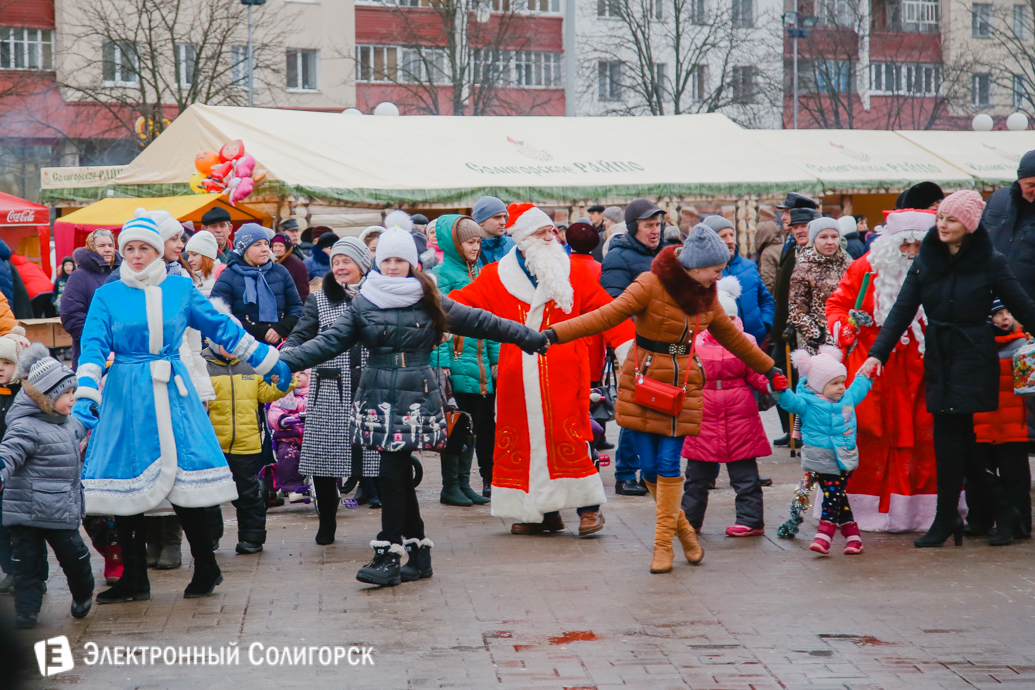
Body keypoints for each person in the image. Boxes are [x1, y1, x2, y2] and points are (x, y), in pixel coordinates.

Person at [275, 227, 548, 587]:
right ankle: (418, 553)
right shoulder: (365, 301)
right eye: (386, 259)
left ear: (412, 263)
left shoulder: (429, 297)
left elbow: (480, 321)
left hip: (415, 396)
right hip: (375, 396)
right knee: (398, 473)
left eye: (399, 260)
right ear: (377, 262)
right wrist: (280, 361)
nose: (391, 267)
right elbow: (328, 342)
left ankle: (389, 551)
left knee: (391, 473)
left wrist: (529, 337)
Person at [75, 214, 292, 604]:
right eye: (129, 248)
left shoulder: (179, 288)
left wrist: (266, 359)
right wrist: (86, 394)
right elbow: (92, 346)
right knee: (127, 486)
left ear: (158, 250)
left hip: (174, 391)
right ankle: (135, 578)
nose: (136, 255)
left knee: (184, 481)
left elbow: (221, 328)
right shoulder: (108, 295)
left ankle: (206, 565)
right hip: (126, 394)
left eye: (144, 247)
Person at [545, 225, 777, 573]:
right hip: (641, 384)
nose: (720, 275)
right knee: (649, 469)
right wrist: (553, 334)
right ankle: (685, 532)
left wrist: (771, 370)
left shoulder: (708, 297)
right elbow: (606, 316)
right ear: (696, 266)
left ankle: (662, 546)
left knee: (669, 466)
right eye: (716, 269)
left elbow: (736, 340)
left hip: (682, 388)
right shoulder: (649, 285)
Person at [860, 190, 1035, 548]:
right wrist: (878, 354)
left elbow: (1022, 304)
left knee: (954, 441)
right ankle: (987, 511)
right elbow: (902, 311)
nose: (941, 225)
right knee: (957, 444)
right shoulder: (927, 259)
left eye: (951, 220)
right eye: (940, 218)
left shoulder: (991, 261)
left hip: (973, 355)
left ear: (968, 226)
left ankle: (958, 516)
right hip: (939, 356)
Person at [450, 204, 634, 536]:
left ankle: (589, 509)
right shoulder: (495, 278)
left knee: (572, 437)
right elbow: (460, 303)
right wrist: (424, 309)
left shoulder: (573, 273)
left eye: (552, 231)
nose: (551, 237)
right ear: (522, 240)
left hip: (565, 374)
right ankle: (541, 512)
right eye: (542, 233)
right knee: (523, 442)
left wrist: (629, 350)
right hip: (517, 377)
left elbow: (609, 313)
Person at [826, 209, 937, 532]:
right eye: (906, 245)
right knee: (865, 435)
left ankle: (920, 512)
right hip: (869, 366)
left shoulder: (938, 270)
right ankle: (859, 511)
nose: (912, 253)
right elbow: (837, 305)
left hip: (919, 368)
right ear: (892, 243)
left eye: (918, 246)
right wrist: (843, 327)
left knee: (922, 437)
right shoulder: (865, 268)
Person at [283, 237, 382, 544]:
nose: (340, 267)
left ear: (363, 264)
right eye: (336, 261)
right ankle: (327, 523)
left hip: (372, 387)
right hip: (331, 390)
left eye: (347, 261)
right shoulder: (319, 299)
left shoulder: (379, 295)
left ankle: (392, 525)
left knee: (380, 460)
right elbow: (300, 336)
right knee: (324, 462)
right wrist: (284, 360)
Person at [0, 344, 93, 629]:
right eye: (65, 394)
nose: (72, 399)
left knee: (75, 558)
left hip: (60, 511)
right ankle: (27, 612)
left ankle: (83, 594)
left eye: (72, 393)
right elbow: (9, 453)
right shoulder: (25, 427)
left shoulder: (70, 422)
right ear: (45, 397)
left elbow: (86, 434)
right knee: (26, 567)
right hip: (25, 512)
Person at [680, 276, 772, 538]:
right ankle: (690, 520)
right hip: (704, 415)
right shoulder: (694, 342)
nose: (725, 325)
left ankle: (751, 520)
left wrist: (773, 383)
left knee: (745, 474)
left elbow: (757, 374)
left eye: (730, 319)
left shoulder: (747, 342)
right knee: (697, 475)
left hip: (740, 415)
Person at [204, 317, 295, 555]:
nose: (232, 347)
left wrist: (286, 381)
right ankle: (208, 537)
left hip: (246, 442)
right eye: (226, 342)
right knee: (208, 496)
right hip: (212, 445)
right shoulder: (202, 365)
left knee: (248, 493)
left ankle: (252, 537)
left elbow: (264, 394)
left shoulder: (251, 365)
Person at [773, 346, 873, 555]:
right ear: (819, 386)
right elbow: (790, 403)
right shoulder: (807, 402)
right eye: (834, 383)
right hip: (820, 457)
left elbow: (859, 388)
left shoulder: (847, 398)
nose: (841, 388)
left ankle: (824, 536)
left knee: (834, 494)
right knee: (836, 495)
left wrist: (865, 375)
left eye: (842, 382)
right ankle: (851, 537)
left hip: (845, 456)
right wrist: (781, 391)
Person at [599, 199, 666, 495]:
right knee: (637, 408)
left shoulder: (665, 256)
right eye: (648, 225)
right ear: (633, 227)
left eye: (658, 225)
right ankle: (625, 473)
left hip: (664, 344)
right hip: (635, 345)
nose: (655, 231)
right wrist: (628, 344)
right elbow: (613, 304)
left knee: (658, 408)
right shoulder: (618, 257)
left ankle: (649, 472)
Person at [431, 215, 496, 504]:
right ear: (454, 244)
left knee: (475, 424)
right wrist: (442, 362)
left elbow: (493, 318)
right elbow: (438, 321)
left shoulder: (480, 272)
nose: (476, 247)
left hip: (481, 363)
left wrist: (495, 356)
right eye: (470, 242)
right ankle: (450, 486)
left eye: (479, 241)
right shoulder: (440, 275)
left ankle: (465, 483)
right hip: (456, 359)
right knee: (455, 423)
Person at [968, 301, 1032, 545]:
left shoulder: (1024, 344)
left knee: (1015, 477)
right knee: (979, 476)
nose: (1005, 318)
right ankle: (979, 520)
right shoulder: (975, 346)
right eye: (998, 314)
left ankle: (1020, 524)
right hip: (981, 422)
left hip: (1012, 423)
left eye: (1007, 312)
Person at [211, 223, 303, 346]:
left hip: (279, 347)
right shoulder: (228, 276)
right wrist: (259, 332)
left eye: (266, 243)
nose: (265, 249)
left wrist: (280, 328)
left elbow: (296, 308)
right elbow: (219, 316)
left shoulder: (280, 272)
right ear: (244, 249)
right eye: (257, 245)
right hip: (241, 350)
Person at [703, 215, 774, 347]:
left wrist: (764, 325)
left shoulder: (750, 266)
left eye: (731, 234)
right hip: (720, 348)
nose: (730, 240)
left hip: (755, 343)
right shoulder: (704, 273)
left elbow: (766, 300)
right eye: (723, 236)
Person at [788, 218, 851, 354]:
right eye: (823, 237)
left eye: (834, 237)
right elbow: (796, 310)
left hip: (849, 337)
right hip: (820, 345)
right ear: (814, 240)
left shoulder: (848, 263)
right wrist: (817, 336)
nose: (830, 242)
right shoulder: (804, 267)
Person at [61, 229, 122, 367]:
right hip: (92, 354)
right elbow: (70, 315)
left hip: (123, 354)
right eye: (101, 246)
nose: (107, 249)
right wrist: (95, 340)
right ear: (91, 248)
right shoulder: (79, 276)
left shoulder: (124, 273)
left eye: (110, 245)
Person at [0, 327, 30, 595]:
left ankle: (32, 575)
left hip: (21, 476)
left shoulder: (27, 398)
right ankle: (10, 570)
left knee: (23, 529)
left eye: (7, 363)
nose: (1, 369)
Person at [983, 149, 1035, 302]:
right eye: (1030, 185)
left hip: (1026, 302)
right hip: (987, 298)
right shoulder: (998, 199)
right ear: (1019, 180)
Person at [472, 196, 513, 267]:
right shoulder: (470, 250)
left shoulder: (515, 245)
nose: (503, 222)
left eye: (504, 217)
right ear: (481, 221)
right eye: (497, 217)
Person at [184, 230, 226, 297]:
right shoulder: (189, 279)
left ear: (207, 257)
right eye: (188, 255)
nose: (189, 260)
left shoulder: (222, 280)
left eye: (194, 254)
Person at [270, 233, 310, 302]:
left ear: (287, 248)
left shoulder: (299, 266)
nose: (277, 249)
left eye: (281, 246)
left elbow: (303, 294)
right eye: (275, 246)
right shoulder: (268, 264)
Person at [752, 221, 783, 294]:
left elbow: (768, 281)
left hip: (774, 297)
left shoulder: (767, 253)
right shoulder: (784, 248)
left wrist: (764, 299)